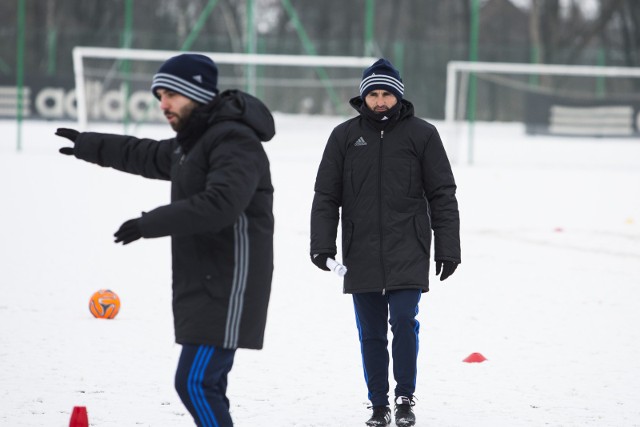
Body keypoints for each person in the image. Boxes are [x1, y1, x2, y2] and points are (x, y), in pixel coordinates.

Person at [55, 53, 275, 427]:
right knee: (205, 384)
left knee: (194, 383)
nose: (163, 105)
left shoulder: (234, 141)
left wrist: (149, 223)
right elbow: (144, 154)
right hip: (207, 278)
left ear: (196, 92)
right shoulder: (194, 142)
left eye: (170, 95)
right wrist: (89, 145)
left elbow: (221, 204)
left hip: (229, 282)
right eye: (159, 96)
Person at [310, 58, 461, 427]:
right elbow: (326, 195)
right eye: (374, 94)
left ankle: (405, 397)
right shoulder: (343, 136)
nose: (380, 101)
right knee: (371, 333)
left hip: (408, 246)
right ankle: (378, 404)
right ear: (364, 97)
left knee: (405, 322)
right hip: (359, 251)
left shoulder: (423, 135)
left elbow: (442, 193)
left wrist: (448, 248)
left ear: (398, 97)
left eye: (387, 94)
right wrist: (322, 244)